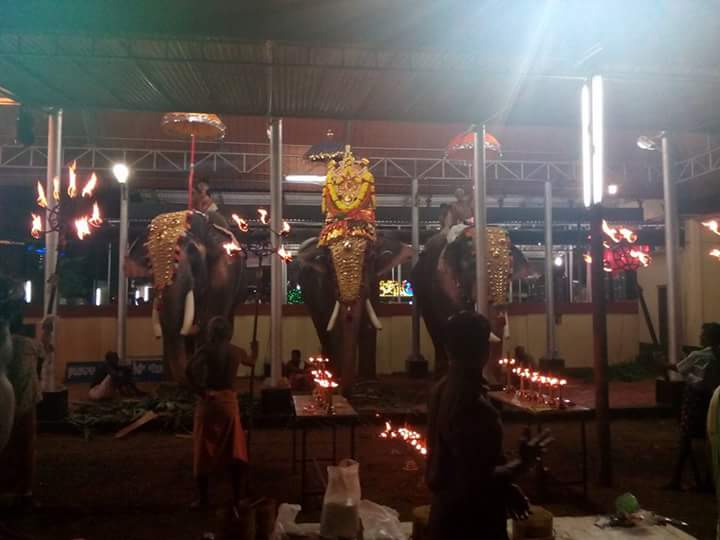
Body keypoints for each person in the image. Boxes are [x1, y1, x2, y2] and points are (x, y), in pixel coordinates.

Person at [426, 311, 551, 540]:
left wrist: (506, 488)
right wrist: (523, 462)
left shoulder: (441, 390)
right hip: (471, 524)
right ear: (484, 352)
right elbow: (477, 480)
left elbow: (464, 463)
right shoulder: (473, 406)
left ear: (447, 348)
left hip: (444, 516)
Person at [186, 316, 257, 508]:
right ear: (229, 333)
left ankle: (204, 499)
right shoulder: (236, 351)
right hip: (229, 403)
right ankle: (236, 497)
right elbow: (251, 362)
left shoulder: (206, 350)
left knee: (203, 450)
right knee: (235, 450)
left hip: (209, 401)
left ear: (211, 332)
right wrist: (254, 350)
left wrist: (200, 391)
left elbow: (189, 370)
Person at [667, 322, 720, 491]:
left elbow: (678, 367)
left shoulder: (698, 355)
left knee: (686, 437)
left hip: (696, 400)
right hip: (713, 400)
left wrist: (662, 363)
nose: (700, 337)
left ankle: (676, 479)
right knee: (710, 440)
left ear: (710, 337)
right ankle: (708, 481)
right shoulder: (713, 355)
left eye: (703, 334)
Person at [0, 309, 43, 511]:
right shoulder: (28, 345)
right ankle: (24, 494)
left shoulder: (10, 343)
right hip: (24, 402)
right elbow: (45, 352)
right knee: (26, 449)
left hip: (9, 398)